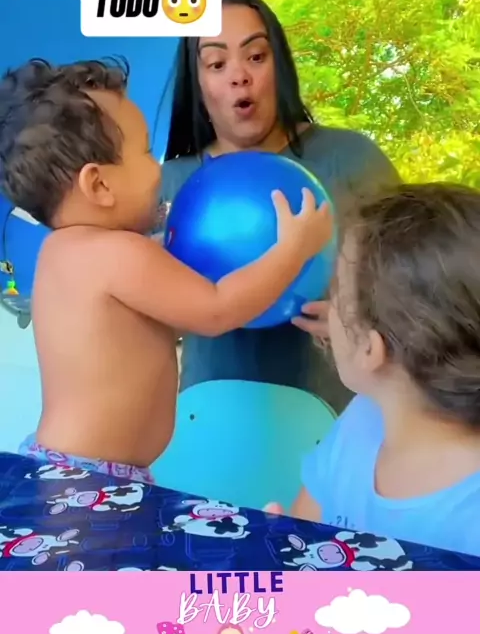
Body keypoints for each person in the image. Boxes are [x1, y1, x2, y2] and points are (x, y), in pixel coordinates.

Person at [0, 58, 332, 482]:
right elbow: (217, 309)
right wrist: (293, 250)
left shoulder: (61, 253)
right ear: (99, 185)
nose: (158, 167)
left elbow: (150, 293)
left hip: (63, 464)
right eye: (144, 151)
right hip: (93, 478)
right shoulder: (119, 253)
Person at [161, 0, 400, 412]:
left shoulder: (352, 158)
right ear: (197, 84)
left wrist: (362, 319)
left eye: (255, 56)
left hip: (338, 414)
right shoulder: (170, 183)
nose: (239, 76)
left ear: (280, 68)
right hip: (211, 418)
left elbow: (417, 283)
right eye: (216, 64)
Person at [266, 183, 480, 557]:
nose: (328, 309)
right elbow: (304, 535)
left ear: (370, 348)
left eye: (336, 293)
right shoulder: (361, 420)